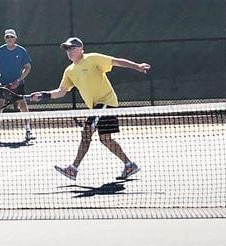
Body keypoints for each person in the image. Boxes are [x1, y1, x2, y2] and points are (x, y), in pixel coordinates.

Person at [31, 37, 151, 180]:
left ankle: (73, 168)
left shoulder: (92, 58)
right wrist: (44, 95)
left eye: (72, 48)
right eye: (67, 49)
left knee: (86, 132)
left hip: (106, 102)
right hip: (95, 108)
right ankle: (129, 165)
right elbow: (61, 91)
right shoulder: (69, 71)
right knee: (105, 139)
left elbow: (115, 61)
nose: (69, 52)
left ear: (81, 49)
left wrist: (137, 66)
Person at [0, 29, 34, 142]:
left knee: (23, 106)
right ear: (5, 39)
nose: (9, 39)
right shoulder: (0, 50)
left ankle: (28, 130)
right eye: (7, 37)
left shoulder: (21, 51)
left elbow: (28, 67)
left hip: (18, 85)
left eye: (11, 37)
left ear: (15, 38)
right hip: (3, 83)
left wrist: (19, 80)